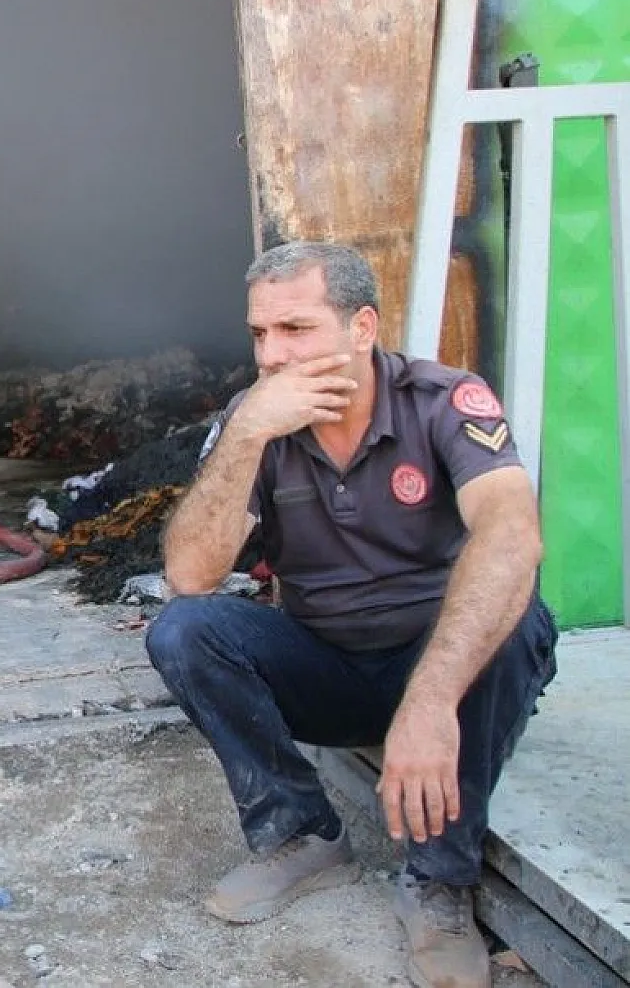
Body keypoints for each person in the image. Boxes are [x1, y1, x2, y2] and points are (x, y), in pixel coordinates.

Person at [148, 242, 557, 988]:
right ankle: (303, 837)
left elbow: (512, 533)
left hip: (443, 667)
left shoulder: (443, 401)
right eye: (259, 334)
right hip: (327, 663)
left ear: (362, 327)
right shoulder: (256, 421)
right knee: (184, 629)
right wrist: (247, 434)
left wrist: (431, 701)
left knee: (519, 607)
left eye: (296, 330)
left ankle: (438, 882)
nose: (272, 355)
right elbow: (190, 575)